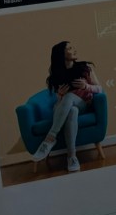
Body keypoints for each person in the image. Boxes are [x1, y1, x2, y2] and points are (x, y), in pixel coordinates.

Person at [32, 41, 101, 173]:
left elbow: (99, 89)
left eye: (73, 47)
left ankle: (50, 138)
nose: (74, 50)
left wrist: (86, 86)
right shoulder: (56, 74)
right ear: (61, 54)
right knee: (72, 110)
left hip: (82, 104)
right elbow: (58, 100)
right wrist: (59, 94)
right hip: (64, 107)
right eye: (69, 48)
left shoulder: (85, 68)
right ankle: (72, 157)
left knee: (70, 98)